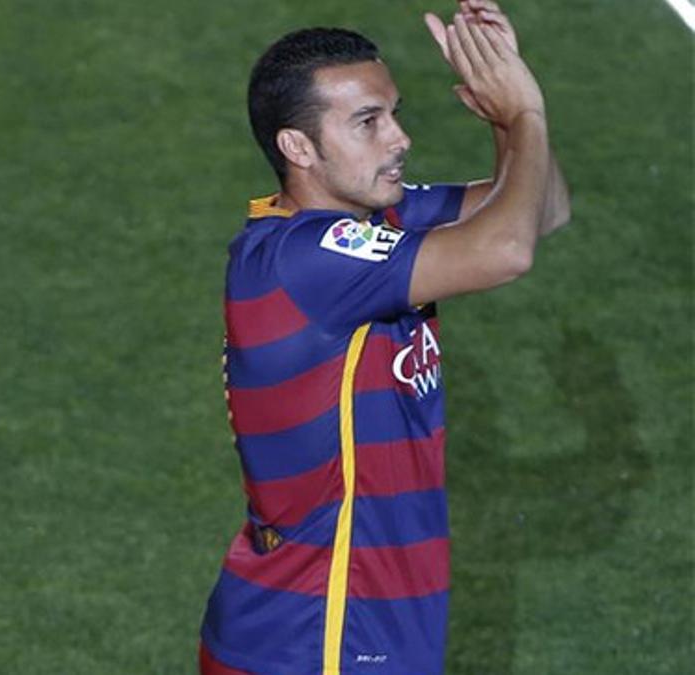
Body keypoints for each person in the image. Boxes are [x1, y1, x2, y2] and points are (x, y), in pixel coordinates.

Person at [198, 2, 570, 673]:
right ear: (298, 147)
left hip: (358, 611)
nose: (399, 138)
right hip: (320, 627)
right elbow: (507, 249)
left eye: (393, 112)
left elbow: (541, 209)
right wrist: (525, 115)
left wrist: (506, 113)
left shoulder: (376, 220)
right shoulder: (303, 258)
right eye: (369, 122)